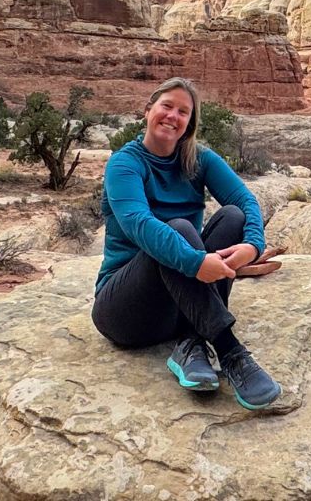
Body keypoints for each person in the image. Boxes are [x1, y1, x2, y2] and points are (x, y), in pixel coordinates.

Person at [91, 77, 284, 409]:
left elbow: (246, 201)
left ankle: (191, 343)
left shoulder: (199, 159)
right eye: (167, 106)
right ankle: (229, 351)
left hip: (182, 307)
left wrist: (252, 245)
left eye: (183, 112)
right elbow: (139, 224)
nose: (173, 116)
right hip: (125, 312)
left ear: (189, 124)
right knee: (176, 228)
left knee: (233, 217)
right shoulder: (125, 164)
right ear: (148, 110)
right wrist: (197, 262)